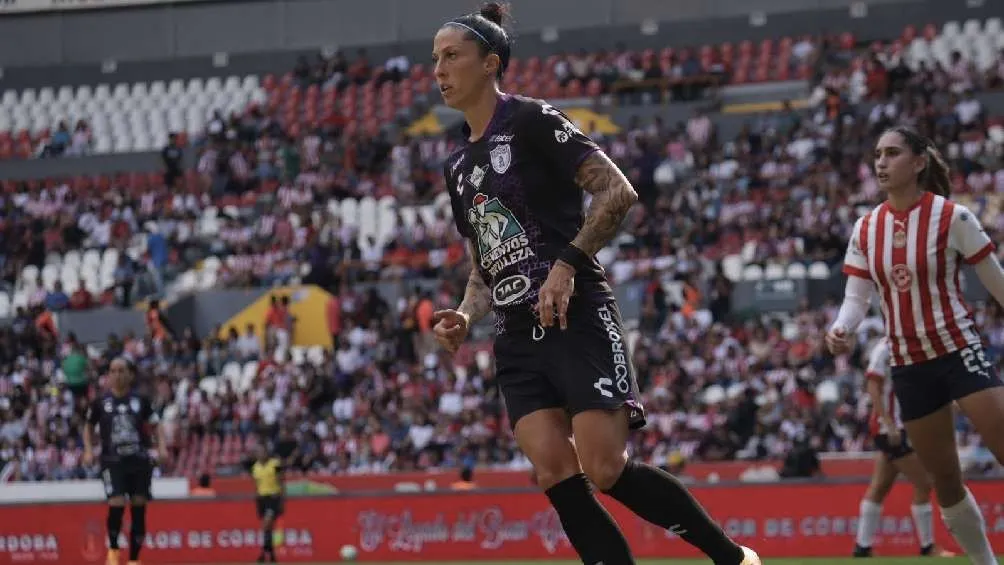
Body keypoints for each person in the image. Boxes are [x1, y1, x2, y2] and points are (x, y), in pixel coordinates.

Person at [430, 3, 759, 564]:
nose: (438, 69)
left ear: (490, 63)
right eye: (434, 59)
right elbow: (485, 266)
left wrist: (566, 265)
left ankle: (732, 558)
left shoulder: (532, 120)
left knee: (606, 468)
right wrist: (465, 312)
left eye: (451, 56)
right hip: (514, 337)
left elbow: (618, 192)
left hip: (576, 312)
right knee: (553, 471)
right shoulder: (457, 165)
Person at [826, 126, 1004, 565]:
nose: (881, 163)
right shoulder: (866, 229)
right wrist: (841, 327)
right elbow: (856, 299)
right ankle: (986, 563)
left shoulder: (953, 218)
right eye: (877, 155)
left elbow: (998, 284)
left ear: (919, 162)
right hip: (909, 365)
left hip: (958, 349)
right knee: (944, 479)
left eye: (892, 153)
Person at [853, 338, 951, 558]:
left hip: (899, 427)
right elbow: (873, 387)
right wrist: (887, 422)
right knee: (925, 482)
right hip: (889, 428)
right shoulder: (884, 348)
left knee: (879, 487)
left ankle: (862, 548)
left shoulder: (909, 345)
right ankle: (927, 547)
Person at [83, 358, 166, 565]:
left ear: (130, 375)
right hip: (113, 462)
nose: (117, 375)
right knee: (116, 502)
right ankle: (113, 550)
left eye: (121, 371)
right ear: (108, 375)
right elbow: (87, 426)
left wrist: (162, 447)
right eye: (113, 370)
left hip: (139, 461)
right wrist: (88, 450)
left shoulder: (141, 401)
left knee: (139, 506)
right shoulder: (101, 402)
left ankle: (134, 560)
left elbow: (156, 425)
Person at [249, 445, 284, 563]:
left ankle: (264, 553)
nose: (261, 455)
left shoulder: (275, 464)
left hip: (273, 497)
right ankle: (270, 554)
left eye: (263, 452)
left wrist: (282, 499)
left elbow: (281, 481)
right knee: (267, 528)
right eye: (258, 453)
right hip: (261, 498)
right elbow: (256, 484)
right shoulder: (255, 467)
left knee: (266, 524)